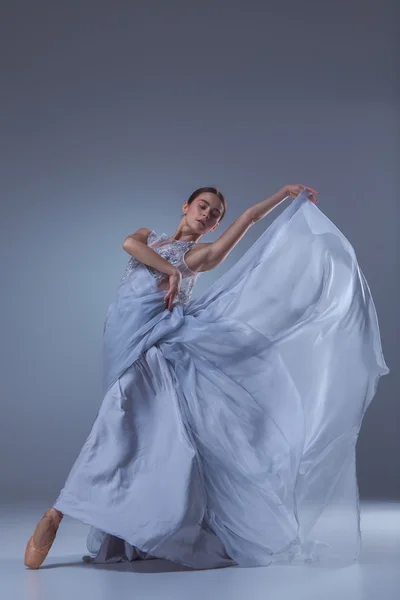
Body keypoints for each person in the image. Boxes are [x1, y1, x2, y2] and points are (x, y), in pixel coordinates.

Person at [24, 184, 389, 570]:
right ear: (185, 206)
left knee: (120, 421)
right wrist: (170, 272)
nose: (208, 215)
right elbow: (129, 245)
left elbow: (248, 217)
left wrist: (283, 195)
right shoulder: (149, 237)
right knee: (131, 430)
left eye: (215, 214)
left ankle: (58, 513)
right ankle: (129, 521)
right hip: (121, 338)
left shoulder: (201, 256)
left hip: (155, 346)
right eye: (203, 206)